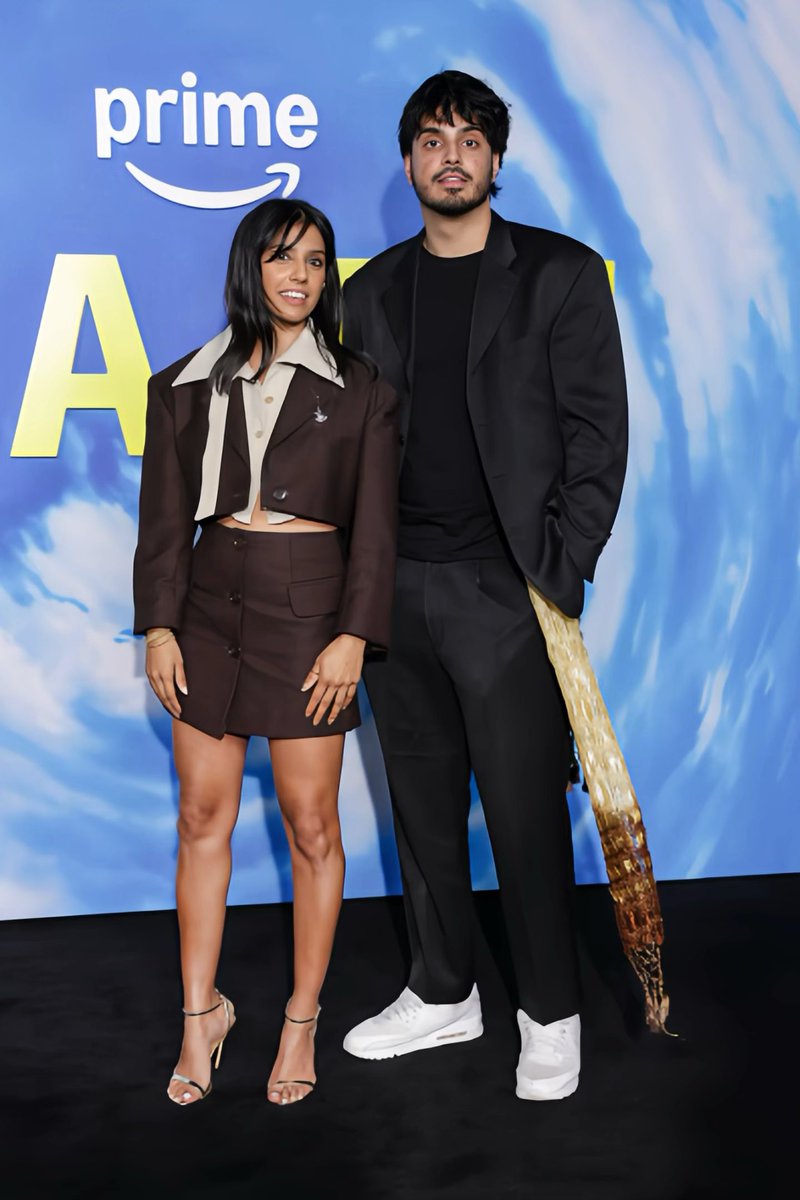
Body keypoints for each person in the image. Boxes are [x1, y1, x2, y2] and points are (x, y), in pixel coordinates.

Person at [341, 71, 628, 1101]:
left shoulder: (555, 275)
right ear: (409, 161)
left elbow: (598, 439)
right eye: (429, 138)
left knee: (519, 812)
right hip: (395, 591)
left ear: (495, 161)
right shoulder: (367, 294)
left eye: (468, 137)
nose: (449, 154)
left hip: (503, 595)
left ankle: (549, 1013)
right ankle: (442, 990)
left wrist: (554, 573)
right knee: (417, 812)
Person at [133, 198, 397, 1106]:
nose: (300, 276)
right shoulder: (182, 383)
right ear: (251, 266)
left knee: (311, 825)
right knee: (201, 819)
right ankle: (200, 1015)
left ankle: (300, 1018)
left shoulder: (360, 386)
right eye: (284, 258)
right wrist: (160, 627)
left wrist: (353, 635)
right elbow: (164, 525)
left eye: (317, 261)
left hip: (310, 607)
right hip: (208, 604)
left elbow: (375, 533)